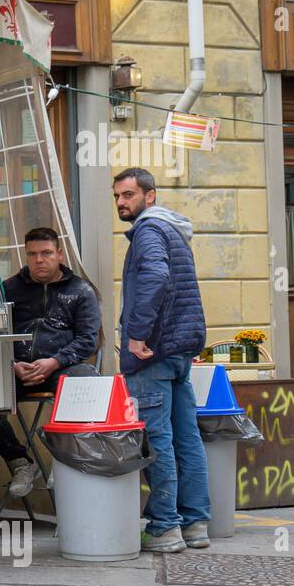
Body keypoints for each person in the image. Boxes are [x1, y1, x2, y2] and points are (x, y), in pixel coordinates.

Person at [113, 167, 211, 553]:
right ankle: (195, 524)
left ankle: (165, 527)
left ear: (149, 196)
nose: (121, 202)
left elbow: (155, 277)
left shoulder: (149, 231)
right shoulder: (172, 229)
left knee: (158, 441)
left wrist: (136, 335)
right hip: (178, 350)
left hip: (152, 352)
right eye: (118, 196)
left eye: (129, 195)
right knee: (187, 438)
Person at [0, 227, 101, 497]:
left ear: (59, 254)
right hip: (16, 370)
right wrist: (11, 365)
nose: (39, 260)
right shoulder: (8, 289)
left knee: (87, 382)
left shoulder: (80, 291)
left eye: (46, 253)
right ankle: (21, 463)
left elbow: (88, 341)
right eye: (32, 254)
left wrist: (53, 362)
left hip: (61, 369)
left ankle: (65, 461)